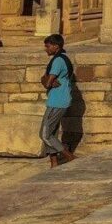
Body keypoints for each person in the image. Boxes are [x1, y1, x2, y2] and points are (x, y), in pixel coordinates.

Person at [40, 34, 76, 167]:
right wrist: (45, 79)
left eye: (48, 46)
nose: (46, 49)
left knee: (45, 134)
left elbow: (47, 83)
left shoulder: (58, 61)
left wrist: (46, 80)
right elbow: (46, 78)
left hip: (57, 101)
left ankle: (68, 156)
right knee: (52, 132)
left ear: (56, 46)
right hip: (59, 100)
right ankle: (54, 163)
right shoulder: (62, 58)